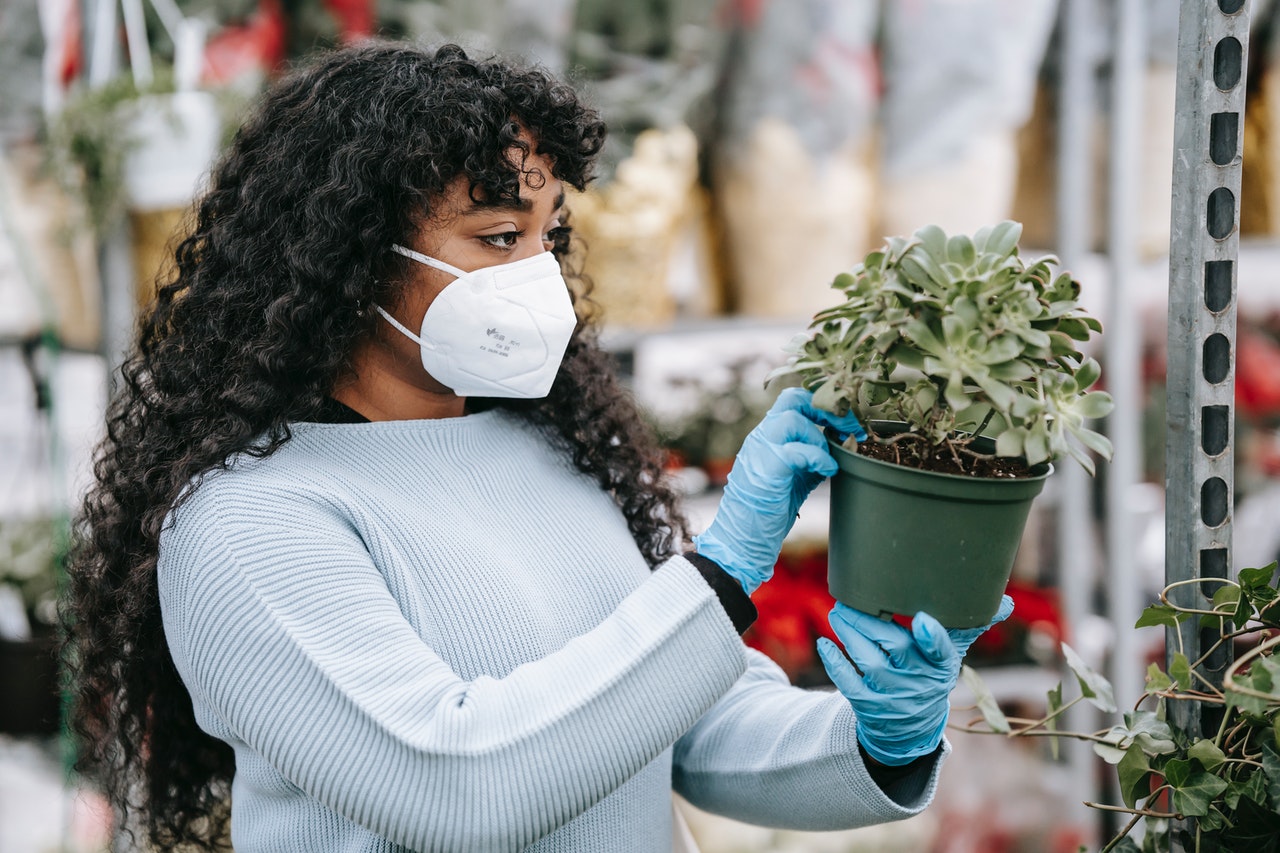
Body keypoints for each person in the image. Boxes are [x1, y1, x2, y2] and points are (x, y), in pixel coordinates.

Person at [63, 42, 1011, 853]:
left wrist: (883, 734)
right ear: (351, 255)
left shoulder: (548, 454)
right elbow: (452, 782)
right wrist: (718, 577)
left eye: (548, 238)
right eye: (497, 235)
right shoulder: (249, 521)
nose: (536, 277)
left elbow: (682, 725)